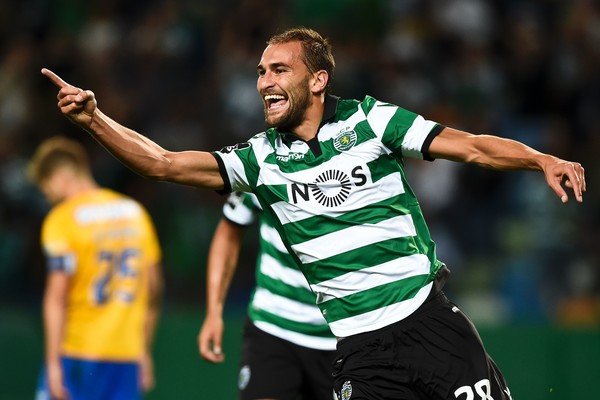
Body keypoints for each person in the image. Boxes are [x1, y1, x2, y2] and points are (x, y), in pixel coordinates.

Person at [42, 27, 585, 400]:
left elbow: (472, 147)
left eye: (279, 69)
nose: (264, 82)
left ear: (318, 80)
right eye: (260, 72)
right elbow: (162, 163)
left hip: (428, 324)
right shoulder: (259, 159)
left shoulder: (372, 122)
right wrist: (95, 121)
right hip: (358, 349)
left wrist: (541, 159)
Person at [28, 136, 163, 400]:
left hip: (77, 353)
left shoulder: (63, 219)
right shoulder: (135, 213)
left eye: (46, 190)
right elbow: (154, 290)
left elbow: (56, 298)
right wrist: (144, 351)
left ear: (60, 177)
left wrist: (53, 363)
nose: (49, 198)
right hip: (126, 356)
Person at [198, 191, 336, 399]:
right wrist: (214, 312)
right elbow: (228, 230)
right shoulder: (261, 169)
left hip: (342, 334)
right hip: (272, 328)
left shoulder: (365, 173)